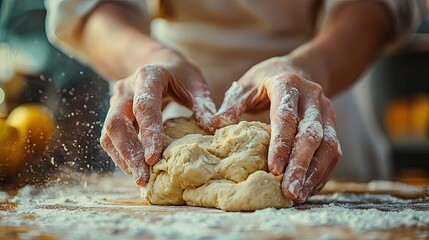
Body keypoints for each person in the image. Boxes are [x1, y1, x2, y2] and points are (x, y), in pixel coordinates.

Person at [45, 0, 427, 203]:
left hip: (309, 122)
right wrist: (146, 58)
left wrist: (311, 66)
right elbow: (87, 6)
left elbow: (376, 7)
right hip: (165, 114)